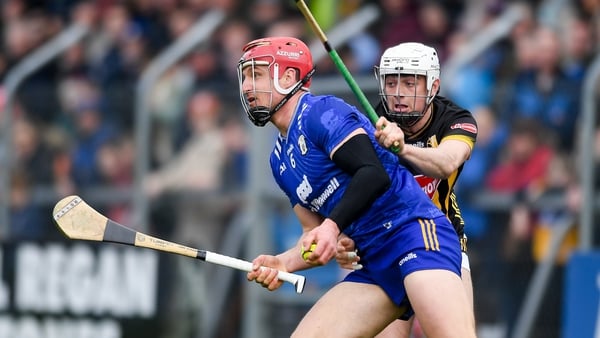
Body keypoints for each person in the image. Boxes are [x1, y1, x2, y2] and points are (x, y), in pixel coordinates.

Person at [238, 36, 476, 338]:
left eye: (255, 75)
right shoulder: (279, 161)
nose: (246, 87)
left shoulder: (322, 113)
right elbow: (314, 237)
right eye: (245, 76)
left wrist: (332, 226)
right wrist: (282, 262)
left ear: (288, 77)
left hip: (414, 235)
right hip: (374, 263)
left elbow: (374, 174)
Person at [335, 42, 478, 338]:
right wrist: (341, 237)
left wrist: (402, 148)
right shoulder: (365, 126)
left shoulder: (456, 120)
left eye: (410, 82)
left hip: (443, 239)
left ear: (433, 85)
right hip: (384, 241)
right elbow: (349, 190)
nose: (398, 91)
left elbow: (446, 163)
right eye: (391, 81)